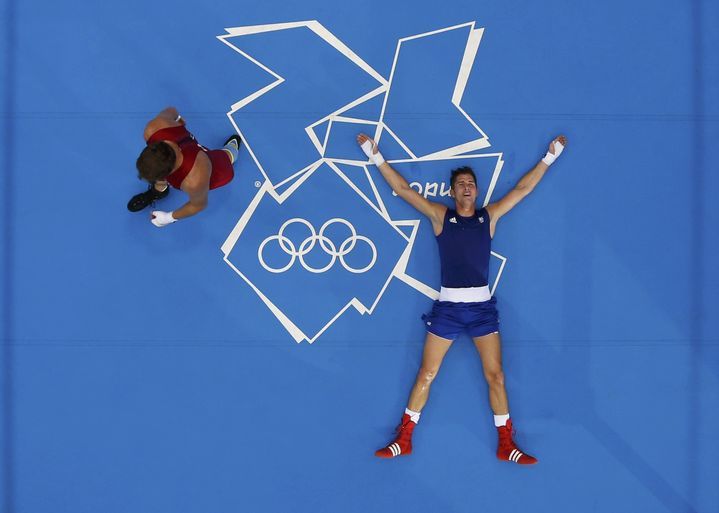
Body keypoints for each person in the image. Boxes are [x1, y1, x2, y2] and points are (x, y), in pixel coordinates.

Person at [357, 132, 567, 464]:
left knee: (496, 375)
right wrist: (376, 155)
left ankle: (506, 444)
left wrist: (549, 157)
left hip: (482, 310)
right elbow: (403, 190)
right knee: (426, 373)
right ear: (453, 192)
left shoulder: (490, 217)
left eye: (471, 183)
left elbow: (523, 189)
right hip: (449, 310)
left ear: (476, 190)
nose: (467, 187)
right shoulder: (441, 217)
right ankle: (405, 437)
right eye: (461, 184)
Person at [128, 106, 241, 227]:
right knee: (155, 171)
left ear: (169, 173)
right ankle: (159, 191)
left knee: (228, 156)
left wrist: (168, 217)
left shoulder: (194, 180)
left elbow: (198, 205)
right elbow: (172, 111)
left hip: (213, 166)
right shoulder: (154, 129)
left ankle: (232, 148)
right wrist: (178, 119)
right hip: (189, 151)